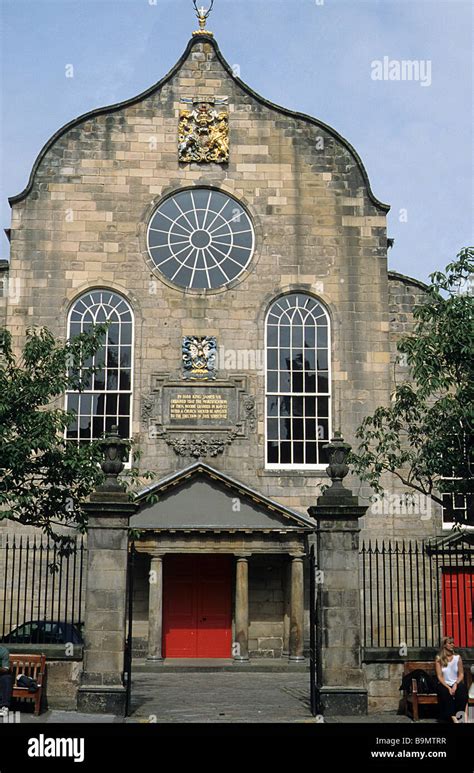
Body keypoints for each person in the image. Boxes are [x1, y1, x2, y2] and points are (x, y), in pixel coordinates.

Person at [435, 636, 469, 723]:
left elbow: (461, 674)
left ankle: (461, 716)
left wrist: (456, 684)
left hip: (455, 682)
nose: (452, 645)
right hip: (444, 684)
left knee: (462, 691)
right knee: (445, 693)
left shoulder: (457, 657)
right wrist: (448, 687)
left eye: (453, 643)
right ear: (444, 645)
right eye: (450, 643)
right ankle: (454, 718)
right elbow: (439, 676)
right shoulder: (439, 658)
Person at [0, 644, 13, 716]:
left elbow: (5, 669)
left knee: (7, 678)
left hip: (1, 674)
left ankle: (4, 706)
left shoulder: (3, 651)